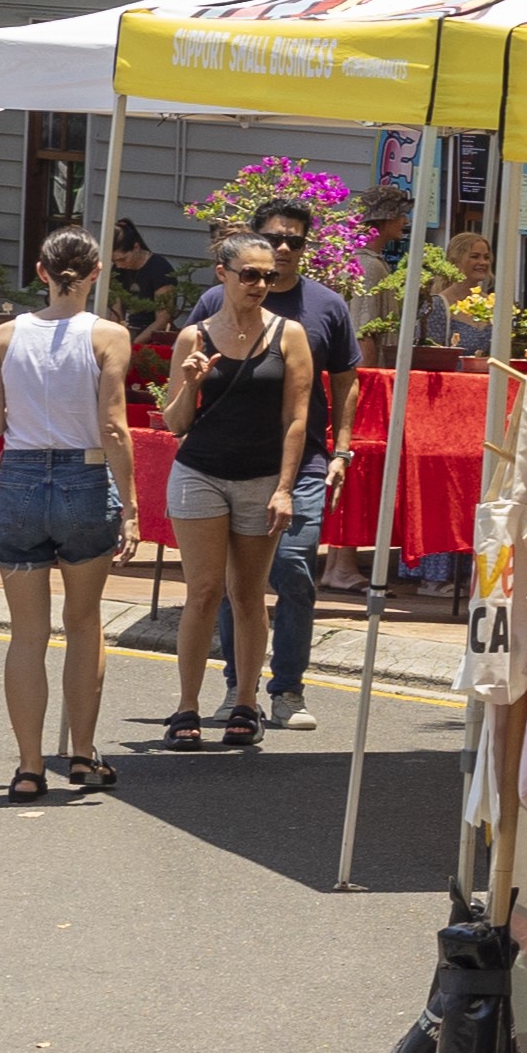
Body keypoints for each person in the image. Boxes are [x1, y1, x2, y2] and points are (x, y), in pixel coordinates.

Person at [187, 196, 356, 734]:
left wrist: (342, 449)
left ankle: (287, 688)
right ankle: (240, 692)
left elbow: (345, 381)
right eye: (274, 239)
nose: (283, 249)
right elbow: (188, 374)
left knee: (295, 568)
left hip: (301, 461)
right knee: (230, 582)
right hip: (225, 461)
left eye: (295, 241)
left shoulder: (326, 306)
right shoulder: (214, 300)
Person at [0, 228, 135, 797]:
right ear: (96, 273)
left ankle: (28, 766)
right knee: (84, 625)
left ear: (41, 272)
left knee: (26, 635)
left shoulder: (4, 335)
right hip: (85, 477)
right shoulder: (110, 336)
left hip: (19, 477)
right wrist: (133, 506)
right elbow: (115, 426)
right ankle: (84, 757)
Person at [159, 232, 314, 749]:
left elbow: (297, 419)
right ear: (222, 274)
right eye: (250, 274)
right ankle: (186, 707)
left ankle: (246, 702)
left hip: (262, 476)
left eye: (269, 275)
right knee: (202, 592)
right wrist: (192, 383)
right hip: (200, 471)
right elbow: (175, 423)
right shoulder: (195, 336)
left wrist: (286, 488)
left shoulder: (290, 334)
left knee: (248, 594)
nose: (261, 284)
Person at [104, 219, 179, 345]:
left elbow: (163, 319)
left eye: (122, 259)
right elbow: (115, 313)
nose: (119, 265)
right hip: (129, 330)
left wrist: (135, 344)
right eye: (114, 261)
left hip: (154, 336)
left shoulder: (160, 268)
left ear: (136, 247)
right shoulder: (117, 270)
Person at [423, 230, 497, 353]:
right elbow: (429, 356)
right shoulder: (438, 306)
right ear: (455, 260)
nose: (483, 262)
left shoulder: (492, 304)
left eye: (486, 257)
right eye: (475, 256)